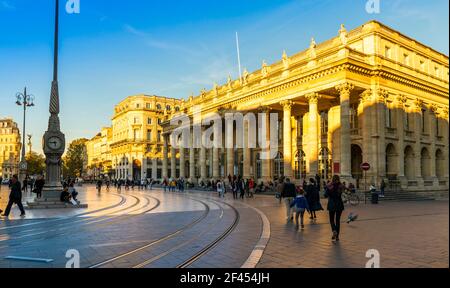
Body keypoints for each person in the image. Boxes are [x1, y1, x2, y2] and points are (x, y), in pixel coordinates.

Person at [326, 175, 345, 243]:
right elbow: (344, 191)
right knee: (338, 220)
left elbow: (326, 194)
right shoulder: (341, 185)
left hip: (331, 204)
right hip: (339, 204)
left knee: (331, 219)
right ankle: (337, 237)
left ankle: (334, 230)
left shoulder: (329, 185)